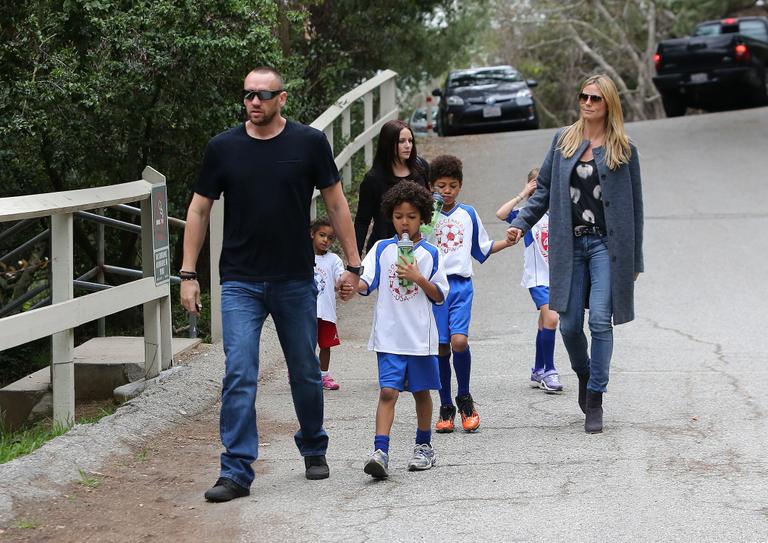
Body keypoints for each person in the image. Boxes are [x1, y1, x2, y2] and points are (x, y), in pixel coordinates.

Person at [180, 66, 362, 502]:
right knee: (240, 372)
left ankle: (314, 446)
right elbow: (199, 210)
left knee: (305, 370)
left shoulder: (308, 143)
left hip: (294, 279)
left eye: (263, 95)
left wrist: (353, 264)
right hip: (240, 280)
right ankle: (236, 471)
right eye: (248, 95)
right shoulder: (223, 148)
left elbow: (336, 204)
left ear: (283, 99)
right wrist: (188, 273)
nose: (254, 102)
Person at [506, 74, 644, 434]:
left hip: (605, 247)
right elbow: (545, 189)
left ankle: (595, 396)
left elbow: (636, 208)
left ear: (608, 104)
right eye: (583, 96)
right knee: (567, 325)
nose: (587, 103)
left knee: (599, 319)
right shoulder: (563, 140)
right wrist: (521, 223)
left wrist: (636, 261)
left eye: (595, 98)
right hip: (570, 246)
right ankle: (585, 374)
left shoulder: (623, 149)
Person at [356, 181, 449, 479]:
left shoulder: (431, 254)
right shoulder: (382, 249)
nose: (404, 222)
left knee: (422, 392)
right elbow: (365, 283)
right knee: (387, 392)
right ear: (390, 217)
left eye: (411, 216)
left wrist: (418, 277)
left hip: (420, 339)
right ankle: (380, 452)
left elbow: (439, 295)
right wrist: (349, 284)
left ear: (422, 216)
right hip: (389, 337)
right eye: (398, 216)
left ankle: (424, 447)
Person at [429, 155, 512, 434]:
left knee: (459, 341)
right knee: (441, 347)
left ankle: (464, 398)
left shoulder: (468, 214)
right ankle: (444, 406)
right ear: (431, 186)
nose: (447, 191)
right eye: (441, 185)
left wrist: (508, 242)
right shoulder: (427, 215)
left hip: (461, 287)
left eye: (452, 185)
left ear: (460, 186)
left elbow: (482, 249)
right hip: (435, 288)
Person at [496, 168, 563, 393]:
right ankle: (550, 371)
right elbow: (501, 213)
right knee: (552, 319)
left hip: (558, 277)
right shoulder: (526, 214)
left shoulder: (562, 213)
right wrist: (523, 194)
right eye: (537, 187)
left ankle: (537, 369)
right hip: (537, 278)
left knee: (544, 322)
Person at [354, 120, 430, 256]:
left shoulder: (421, 168)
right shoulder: (373, 179)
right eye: (401, 141)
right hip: (385, 248)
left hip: (418, 247)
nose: (408, 146)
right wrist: (354, 260)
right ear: (388, 144)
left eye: (410, 141)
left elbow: (430, 207)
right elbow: (362, 221)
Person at [311, 217, 344, 390]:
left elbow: (341, 276)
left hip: (326, 311)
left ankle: (324, 375)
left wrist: (343, 283)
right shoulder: (302, 256)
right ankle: (300, 372)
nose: (325, 240)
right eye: (322, 235)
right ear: (312, 234)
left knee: (325, 345)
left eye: (330, 238)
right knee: (304, 345)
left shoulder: (333, 260)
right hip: (305, 311)